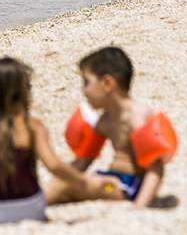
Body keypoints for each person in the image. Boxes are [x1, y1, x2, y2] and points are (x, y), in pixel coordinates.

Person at [0, 58, 114, 226]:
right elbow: (54, 165)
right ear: (21, 92)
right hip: (30, 207)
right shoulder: (32, 126)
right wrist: (84, 182)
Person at [46, 47, 169, 208]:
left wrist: (140, 205)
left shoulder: (136, 116)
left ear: (107, 83)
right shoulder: (105, 119)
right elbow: (83, 161)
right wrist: (62, 174)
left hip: (128, 186)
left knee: (78, 184)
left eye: (86, 83)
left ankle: (31, 206)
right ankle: (35, 202)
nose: (83, 91)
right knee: (67, 184)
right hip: (110, 180)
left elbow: (156, 167)